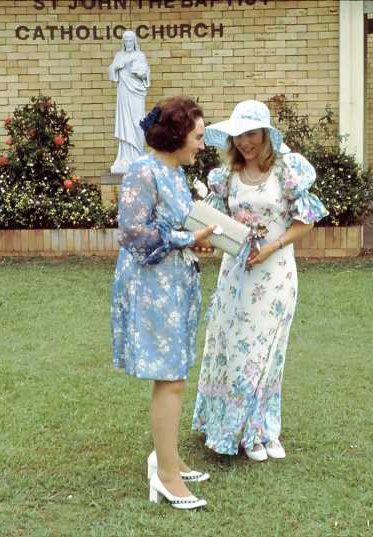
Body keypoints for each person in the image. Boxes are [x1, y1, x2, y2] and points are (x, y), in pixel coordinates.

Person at [191, 100, 328, 462]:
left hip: (276, 274)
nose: (245, 142)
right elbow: (216, 225)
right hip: (236, 274)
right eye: (238, 135)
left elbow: (306, 221)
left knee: (268, 353)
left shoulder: (287, 171)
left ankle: (266, 430)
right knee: (237, 351)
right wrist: (205, 240)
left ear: (265, 134)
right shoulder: (226, 177)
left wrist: (271, 248)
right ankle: (239, 432)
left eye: (251, 134)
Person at [111, 96, 216, 510]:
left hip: (176, 284)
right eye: (198, 136)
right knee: (169, 376)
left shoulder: (175, 172)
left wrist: (196, 241)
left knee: (176, 374)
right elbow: (133, 233)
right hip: (152, 287)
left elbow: (173, 225)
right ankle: (166, 475)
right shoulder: (143, 170)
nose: (202, 145)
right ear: (177, 135)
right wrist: (187, 238)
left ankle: (168, 457)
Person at [108, 31, 150, 174]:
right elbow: (112, 70)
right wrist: (117, 66)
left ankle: (138, 155)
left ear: (134, 41)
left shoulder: (140, 55)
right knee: (125, 123)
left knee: (137, 124)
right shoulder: (119, 55)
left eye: (130, 40)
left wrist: (142, 74)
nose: (128, 43)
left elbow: (146, 73)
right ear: (123, 42)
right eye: (125, 41)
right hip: (124, 94)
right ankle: (125, 159)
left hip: (137, 94)